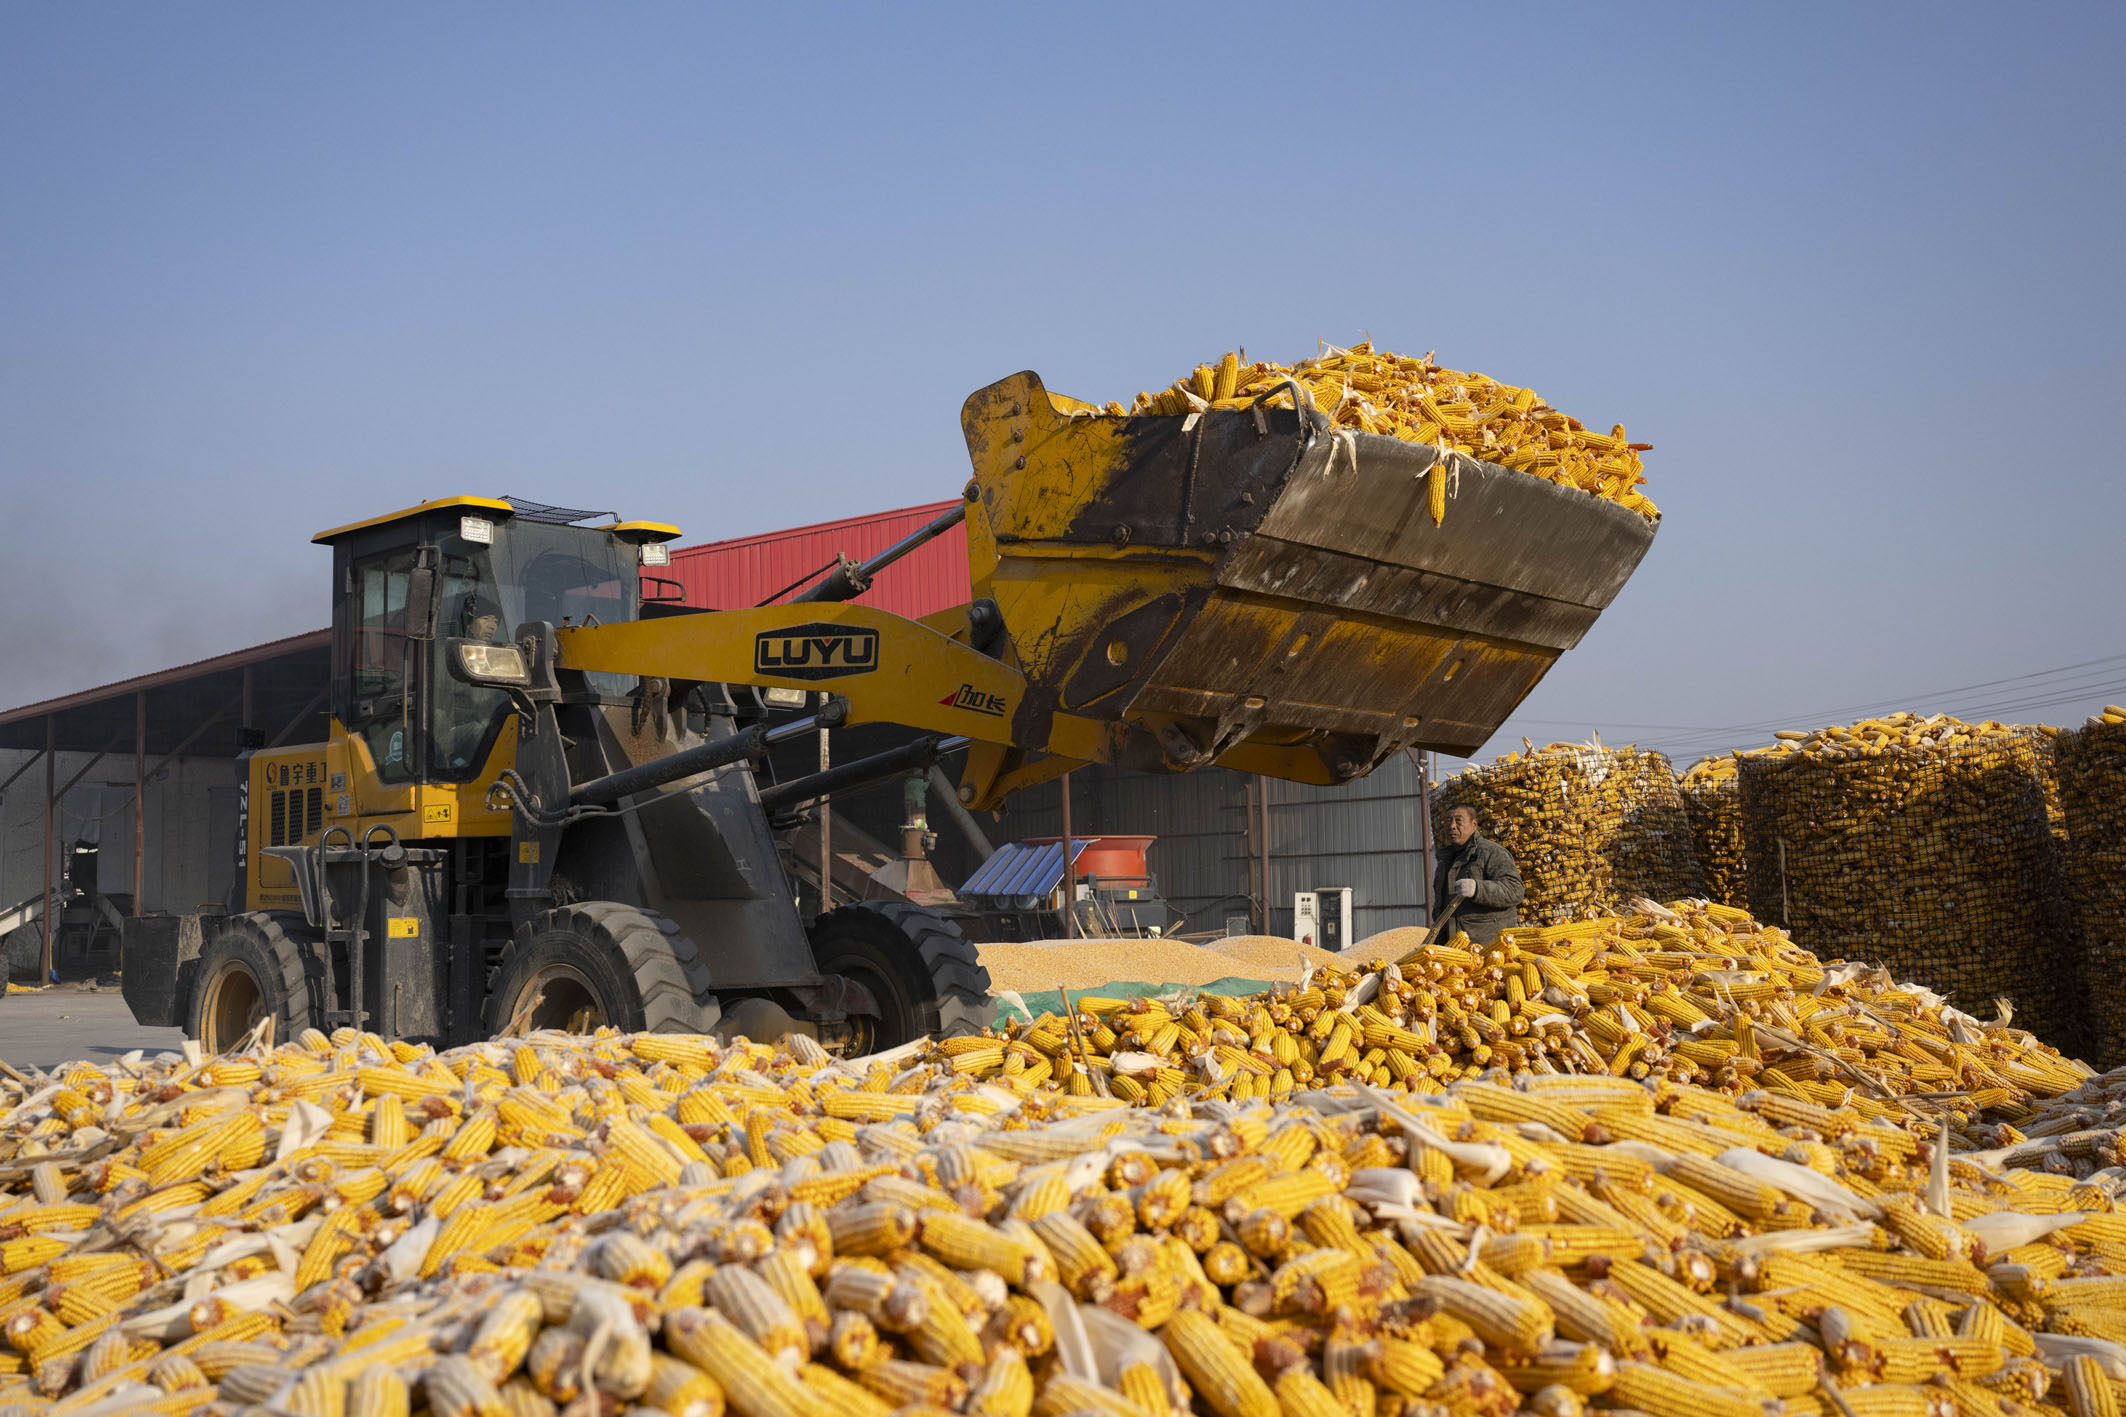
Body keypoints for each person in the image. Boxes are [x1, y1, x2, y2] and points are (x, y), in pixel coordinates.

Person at [1432, 804, 1524, 944]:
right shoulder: (1445, 861)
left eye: (1458, 821)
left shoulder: (1491, 852)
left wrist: (1478, 889)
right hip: (1454, 950)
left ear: (1474, 824)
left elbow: (1515, 889)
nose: (1452, 826)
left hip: (1487, 947)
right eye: (1448, 821)